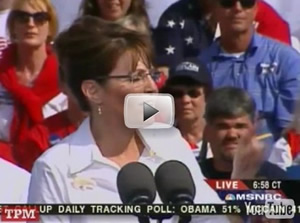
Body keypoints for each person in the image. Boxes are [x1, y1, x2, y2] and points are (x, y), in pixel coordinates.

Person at [28, 16, 229, 223]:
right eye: (135, 77)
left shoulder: (171, 144)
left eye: (151, 75)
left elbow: (212, 218)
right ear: (93, 91)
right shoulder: (55, 168)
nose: (152, 86)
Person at [199, 0, 300, 153]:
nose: (238, 8)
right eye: (228, 3)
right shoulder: (201, 66)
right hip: (216, 163)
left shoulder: (287, 60)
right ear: (215, 10)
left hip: (273, 165)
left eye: (246, 2)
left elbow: (290, 130)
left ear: (255, 10)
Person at [0, 0, 72, 171]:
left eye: (39, 18)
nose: (31, 24)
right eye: (22, 18)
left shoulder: (67, 76)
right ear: (12, 26)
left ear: (50, 27)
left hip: (55, 165)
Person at [153, 0, 291, 70]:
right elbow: (166, 71)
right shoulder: (175, 15)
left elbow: (284, 73)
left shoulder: (258, 14)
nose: (238, 8)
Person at [200, 87, 287, 180]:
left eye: (240, 126)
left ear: (254, 129)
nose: (232, 135)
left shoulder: (277, 180)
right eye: (223, 127)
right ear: (207, 131)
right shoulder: (194, 177)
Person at [160, 59, 213, 160]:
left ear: (207, 97)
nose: (185, 100)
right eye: (178, 94)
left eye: (193, 93)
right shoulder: (158, 141)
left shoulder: (220, 139)